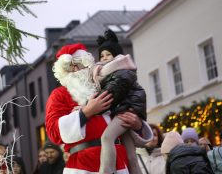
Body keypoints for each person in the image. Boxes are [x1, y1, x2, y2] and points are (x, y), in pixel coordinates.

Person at [45, 43, 152, 173]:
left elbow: (127, 110)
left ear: (88, 64)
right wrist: (86, 112)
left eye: (78, 63)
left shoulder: (105, 85)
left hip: (120, 165)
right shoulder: (59, 95)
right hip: (83, 166)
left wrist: (138, 125)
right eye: (68, 67)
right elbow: (53, 132)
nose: (74, 69)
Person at [95, 29, 152, 174]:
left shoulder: (122, 71)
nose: (105, 58)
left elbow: (110, 95)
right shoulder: (114, 72)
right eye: (102, 55)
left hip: (125, 110)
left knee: (107, 138)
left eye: (108, 54)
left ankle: (106, 171)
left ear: (117, 55)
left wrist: (89, 107)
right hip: (124, 110)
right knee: (131, 155)